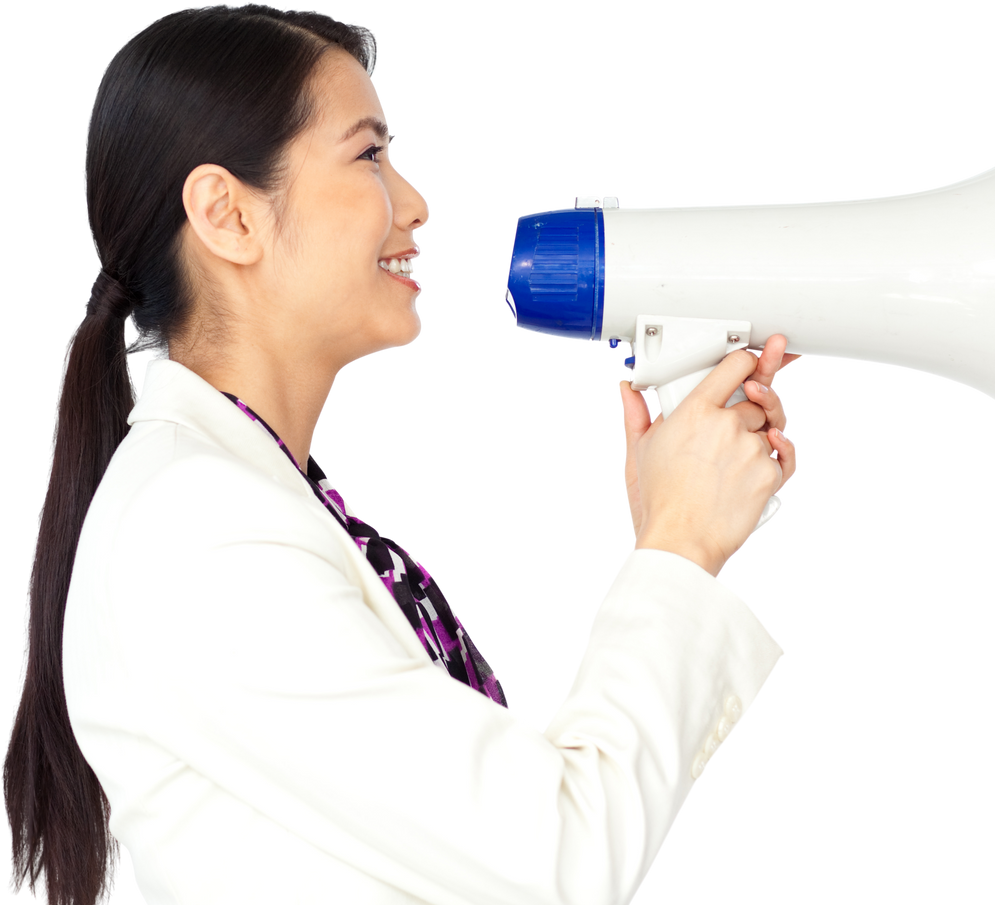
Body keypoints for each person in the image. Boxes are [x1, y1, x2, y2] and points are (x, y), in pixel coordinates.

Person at [3, 5, 800, 904]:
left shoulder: (246, 502)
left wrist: (676, 528)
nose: (415, 204)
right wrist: (678, 547)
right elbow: (559, 863)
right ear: (227, 215)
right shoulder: (198, 531)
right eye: (369, 154)